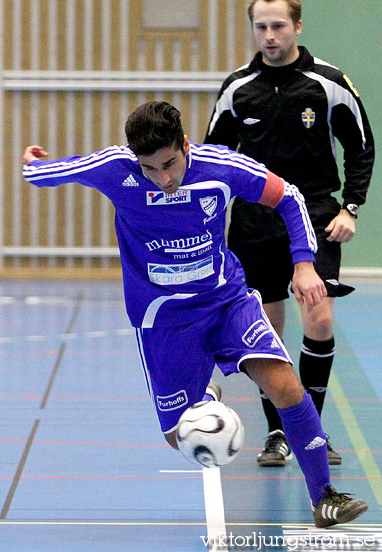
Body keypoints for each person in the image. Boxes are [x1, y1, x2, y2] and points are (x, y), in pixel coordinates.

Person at [22, 100, 368, 528]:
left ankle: (325, 497)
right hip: (162, 319)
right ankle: (205, 397)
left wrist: (303, 262)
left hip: (226, 300)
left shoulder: (219, 166)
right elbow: (45, 173)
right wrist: (33, 165)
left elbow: (289, 197)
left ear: (184, 144)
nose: (162, 178)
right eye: (150, 169)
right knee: (178, 437)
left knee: (286, 386)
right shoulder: (115, 169)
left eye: (170, 163)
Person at [204, 0, 374, 467]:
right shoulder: (237, 88)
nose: (270, 35)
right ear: (253, 30)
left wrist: (351, 208)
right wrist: (211, 226)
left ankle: (311, 433)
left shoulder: (329, 83)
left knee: (319, 321)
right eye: (261, 27)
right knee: (267, 328)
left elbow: (361, 147)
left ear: (297, 25)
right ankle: (280, 432)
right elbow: (213, 159)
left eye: (278, 25)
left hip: (316, 214)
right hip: (255, 221)